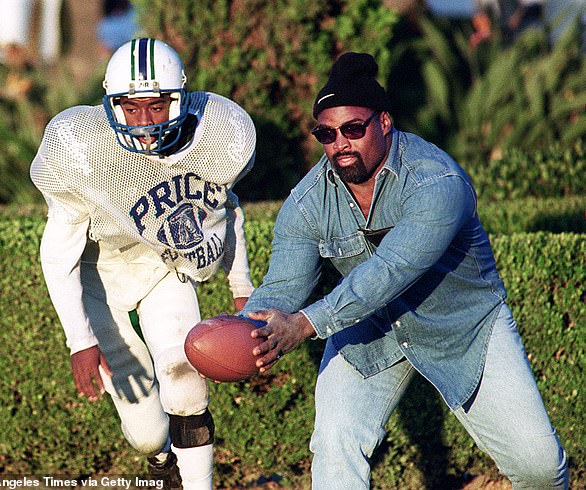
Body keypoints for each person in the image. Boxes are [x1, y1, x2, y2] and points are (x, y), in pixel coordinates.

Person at [240, 52, 568, 488]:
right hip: (367, 329)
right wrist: (244, 333)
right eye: (326, 133)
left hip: (464, 328)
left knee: (539, 467)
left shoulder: (436, 181)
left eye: (353, 129)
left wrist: (301, 325)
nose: (340, 144)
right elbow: (284, 285)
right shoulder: (306, 203)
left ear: (384, 122)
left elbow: (391, 271)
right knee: (335, 445)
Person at [30, 38, 256, 489]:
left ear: (180, 99)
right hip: (102, 281)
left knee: (185, 382)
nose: (144, 122)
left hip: (162, 268)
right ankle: (159, 461)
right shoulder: (82, 152)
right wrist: (80, 340)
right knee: (147, 433)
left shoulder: (215, 136)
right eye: (130, 108)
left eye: (156, 106)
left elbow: (225, 210)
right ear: (111, 103)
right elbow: (57, 257)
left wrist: (242, 285)